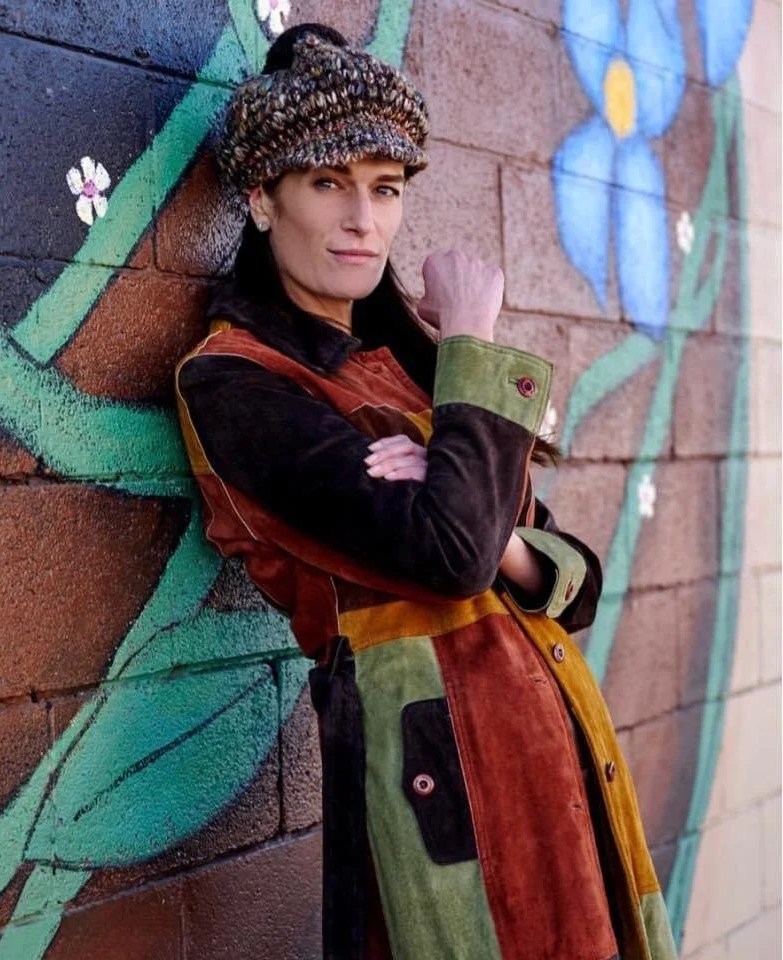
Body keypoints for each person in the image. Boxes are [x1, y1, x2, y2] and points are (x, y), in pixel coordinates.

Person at [174, 22, 678, 960]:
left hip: (555, 762)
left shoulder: (410, 369)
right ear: (261, 200)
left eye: (386, 187)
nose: (362, 219)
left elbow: (574, 582)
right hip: (442, 796)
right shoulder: (236, 383)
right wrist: (472, 350)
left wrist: (497, 530)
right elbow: (449, 558)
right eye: (327, 183)